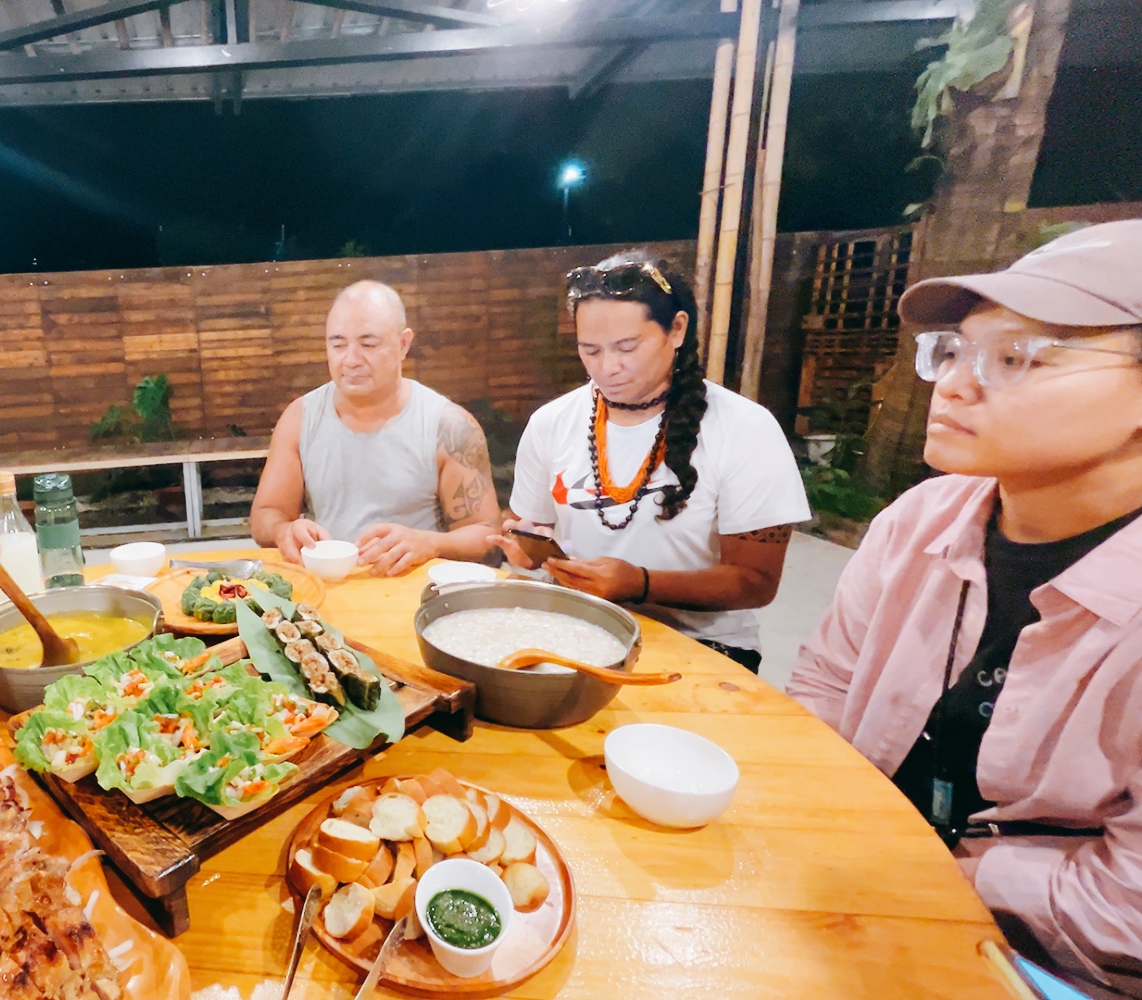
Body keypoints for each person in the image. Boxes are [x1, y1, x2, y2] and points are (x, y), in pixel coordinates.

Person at [787, 221, 1142, 991]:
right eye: (953, 351)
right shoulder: (921, 520)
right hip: (848, 894)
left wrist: (912, 868)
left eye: (1018, 358)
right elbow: (823, 689)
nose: (951, 383)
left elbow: (1130, 911)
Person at [491, 253, 809, 671]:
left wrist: (638, 583)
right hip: (576, 628)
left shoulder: (745, 428)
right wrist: (527, 546)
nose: (608, 368)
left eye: (627, 347)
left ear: (676, 329)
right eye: (590, 350)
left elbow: (757, 582)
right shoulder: (552, 422)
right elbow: (529, 527)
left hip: (702, 645)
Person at [251, 280, 502, 576]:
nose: (351, 360)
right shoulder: (301, 417)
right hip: (327, 593)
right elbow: (266, 515)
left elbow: (489, 539)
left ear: (403, 344)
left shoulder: (449, 427)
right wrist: (285, 531)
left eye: (368, 344)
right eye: (338, 344)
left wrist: (429, 543)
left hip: (416, 593)